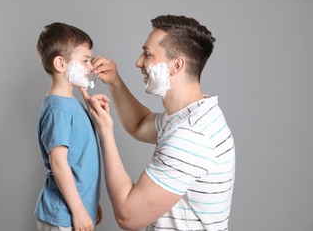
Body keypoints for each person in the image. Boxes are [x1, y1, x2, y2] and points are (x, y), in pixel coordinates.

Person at [80, 15, 235, 230]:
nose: (138, 62)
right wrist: (115, 83)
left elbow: (128, 217)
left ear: (176, 65)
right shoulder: (195, 114)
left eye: (148, 54)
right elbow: (140, 124)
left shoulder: (191, 136)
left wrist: (105, 133)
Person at [34, 22, 106, 231]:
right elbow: (58, 163)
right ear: (60, 64)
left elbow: (79, 160)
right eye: (85, 60)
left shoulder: (71, 103)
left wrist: (89, 204)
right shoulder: (59, 109)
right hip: (63, 216)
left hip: (73, 211)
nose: (91, 67)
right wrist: (79, 210)